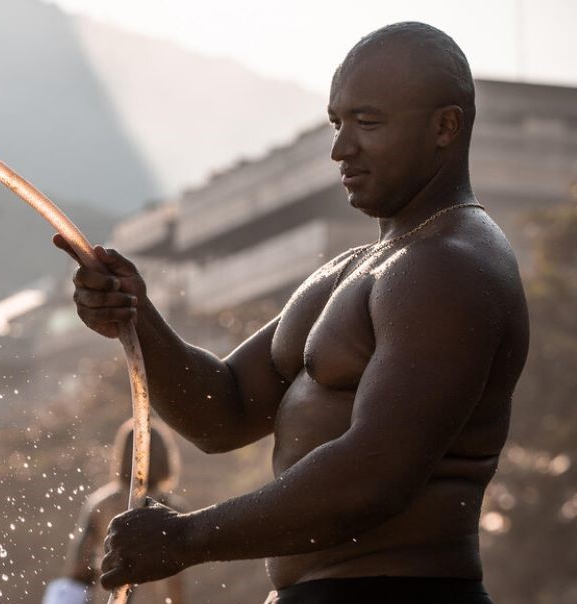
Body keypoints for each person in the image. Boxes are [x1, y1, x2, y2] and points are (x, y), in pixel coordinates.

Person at [53, 22, 529, 604]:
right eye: (337, 122)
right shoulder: (360, 268)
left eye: (368, 123)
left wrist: (187, 536)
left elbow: (373, 477)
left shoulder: (450, 266)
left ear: (445, 127)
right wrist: (137, 319)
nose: (340, 149)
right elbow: (222, 412)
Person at [44, 419, 187, 604]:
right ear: (165, 456)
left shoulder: (101, 503)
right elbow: (176, 582)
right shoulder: (173, 509)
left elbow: (79, 566)